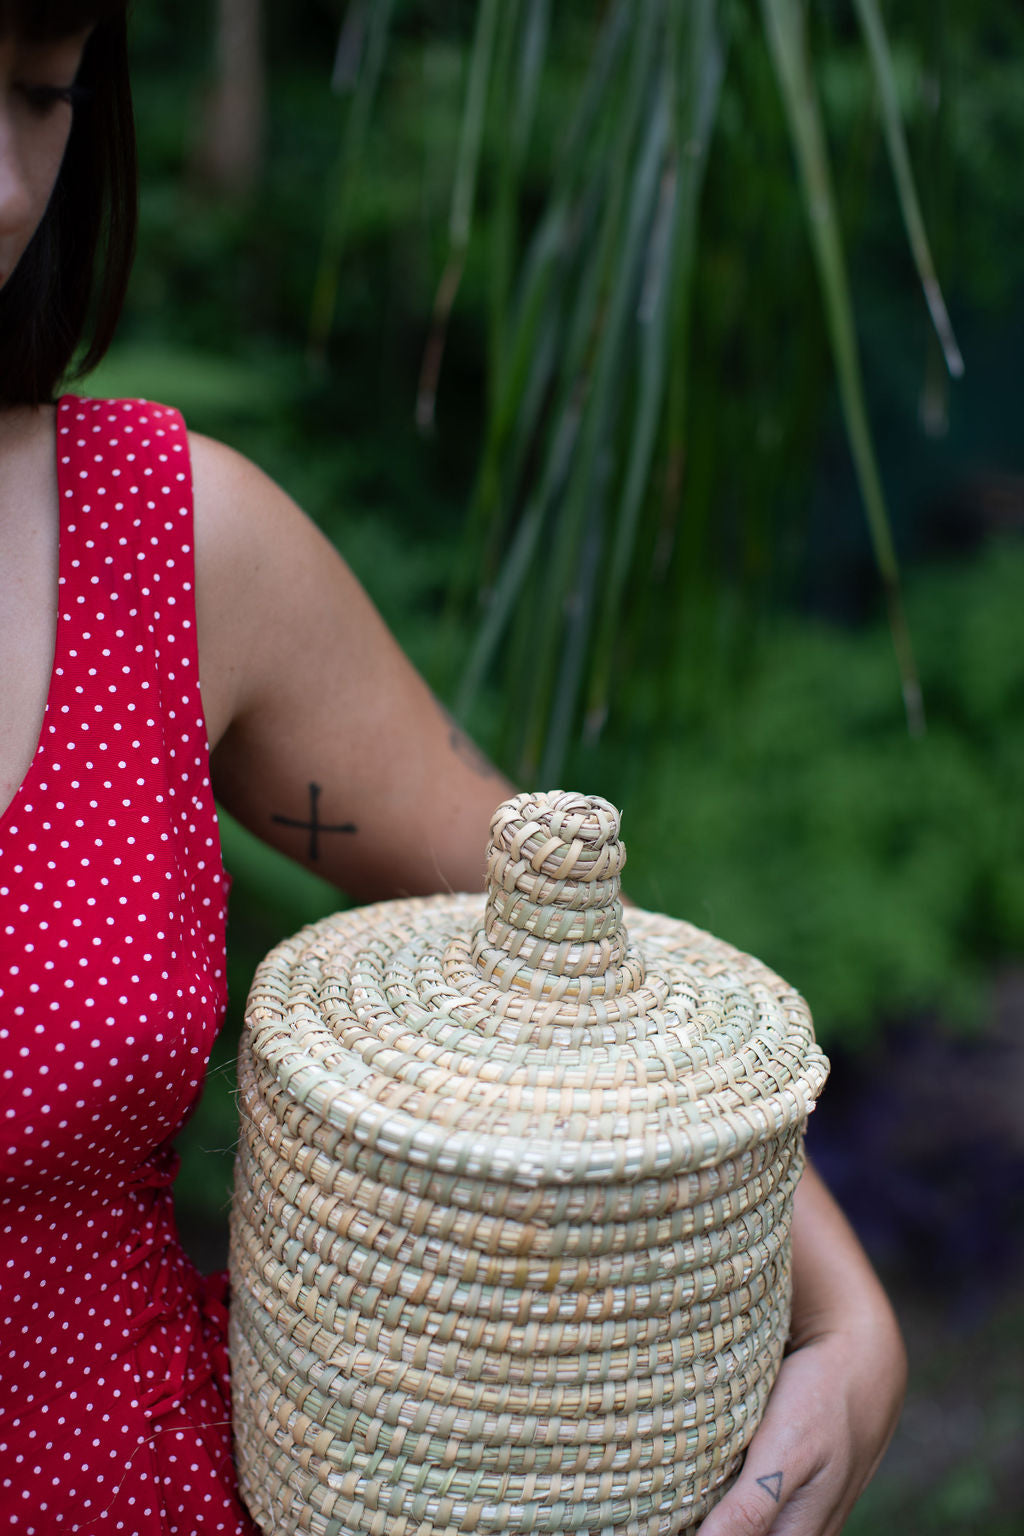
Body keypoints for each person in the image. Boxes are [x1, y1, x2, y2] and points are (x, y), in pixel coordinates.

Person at [0, 5, 906, 1532]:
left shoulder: (161, 545)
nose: (6, 191)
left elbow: (550, 913)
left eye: (37, 97)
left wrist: (847, 1321)